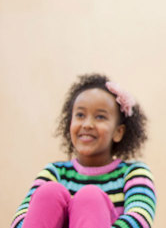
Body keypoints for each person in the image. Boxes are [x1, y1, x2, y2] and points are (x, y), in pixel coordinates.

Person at [11, 74, 155, 228]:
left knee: (90, 197)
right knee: (49, 193)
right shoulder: (54, 173)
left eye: (100, 117)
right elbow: (21, 218)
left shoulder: (133, 173)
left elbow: (140, 219)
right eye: (80, 115)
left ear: (118, 132)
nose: (87, 124)